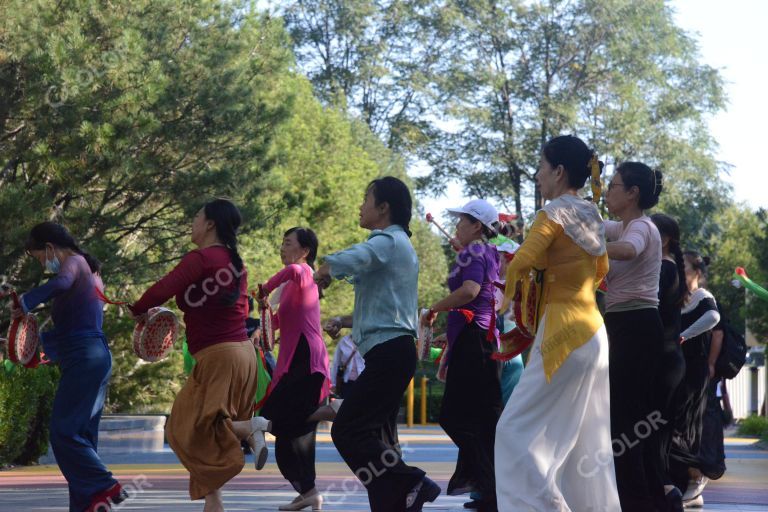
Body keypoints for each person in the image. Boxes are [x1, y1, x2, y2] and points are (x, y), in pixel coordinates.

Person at [494, 135, 620, 511]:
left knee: (513, 431)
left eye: (541, 168)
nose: (536, 175)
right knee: (585, 442)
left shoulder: (552, 213)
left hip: (563, 334)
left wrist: (507, 300)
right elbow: (602, 270)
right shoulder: (592, 214)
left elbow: (520, 261)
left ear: (559, 171)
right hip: (594, 333)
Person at [314, 176, 440, 512]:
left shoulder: (389, 241)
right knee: (376, 439)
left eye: (366, 198)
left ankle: (411, 481)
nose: (361, 205)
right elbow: (379, 309)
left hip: (390, 354)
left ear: (383, 208)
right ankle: (396, 501)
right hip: (390, 354)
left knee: (347, 431)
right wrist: (342, 320)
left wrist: (325, 267)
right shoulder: (392, 247)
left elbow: (359, 255)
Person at [129, 199, 261, 512]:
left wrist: (136, 309)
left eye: (196, 216)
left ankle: (249, 428)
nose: (193, 223)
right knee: (205, 430)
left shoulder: (201, 258)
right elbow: (241, 310)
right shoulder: (234, 262)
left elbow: (163, 288)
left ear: (210, 223)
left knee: (180, 429)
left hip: (219, 357)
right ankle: (214, 503)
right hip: (243, 355)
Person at [12, 222, 126, 512]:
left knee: (63, 432)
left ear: (50, 247)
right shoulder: (92, 271)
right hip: (95, 356)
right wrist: (35, 348)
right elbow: (79, 323)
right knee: (83, 438)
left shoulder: (74, 263)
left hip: (84, 357)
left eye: (39, 257)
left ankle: (105, 485)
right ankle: (89, 504)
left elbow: (61, 285)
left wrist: (27, 299)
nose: (43, 264)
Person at [422, 199, 503, 512]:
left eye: (461, 221)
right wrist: (450, 331)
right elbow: (479, 298)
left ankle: (491, 483)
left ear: (477, 226)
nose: (456, 226)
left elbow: (469, 291)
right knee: (483, 420)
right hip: (479, 339)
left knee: (456, 417)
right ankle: (491, 488)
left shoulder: (476, 251)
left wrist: (434, 309)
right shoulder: (488, 252)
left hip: (476, 341)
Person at [252, 227, 332, 511]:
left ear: (305, 251)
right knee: (292, 437)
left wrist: (265, 287)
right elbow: (277, 322)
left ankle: (331, 410)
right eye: (282, 243)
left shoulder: (304, 273)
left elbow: (291, 271)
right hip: (291, 360)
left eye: (288, 243)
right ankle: (308, 491)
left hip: (305, 357)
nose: (282, 248)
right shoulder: (291, 287)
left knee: (272, 413)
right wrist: (260, 331)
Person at [603, 161, 665, 512]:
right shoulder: (623, 225)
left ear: (632, 193)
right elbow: (597, 226)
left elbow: (628, 249)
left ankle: (640, 501)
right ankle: (651, 497)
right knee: (625, 421)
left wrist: (589, 248)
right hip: (626, 326)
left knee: (626, 423)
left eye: (613, 186)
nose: (608, 192)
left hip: (637, 327)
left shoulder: (641, 227)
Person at [668, 252, 721, 508]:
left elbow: (713, 318)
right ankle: (681, 485)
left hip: (694, 371)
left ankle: (694, 485)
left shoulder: (703, 297)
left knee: (687, 425)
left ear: (697, 271)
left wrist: (683, 336)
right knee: (674, 422)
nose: (680, 271)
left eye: (684, 267)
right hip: (676, 369)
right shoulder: (678, 298)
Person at [650, 213, 689, 512]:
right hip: (668, 360)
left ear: (662, 239)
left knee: (651, 429)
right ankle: (662, 488)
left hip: (662, 361)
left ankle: (663, 489)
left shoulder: (664, 269)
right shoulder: (668, 267)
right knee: (655, 429)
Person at [329, 332, 365, 399]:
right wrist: (333, 384)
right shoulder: (344, 341)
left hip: (364, 382)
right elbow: (336, 363)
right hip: (347, 383)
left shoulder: (368, 340)